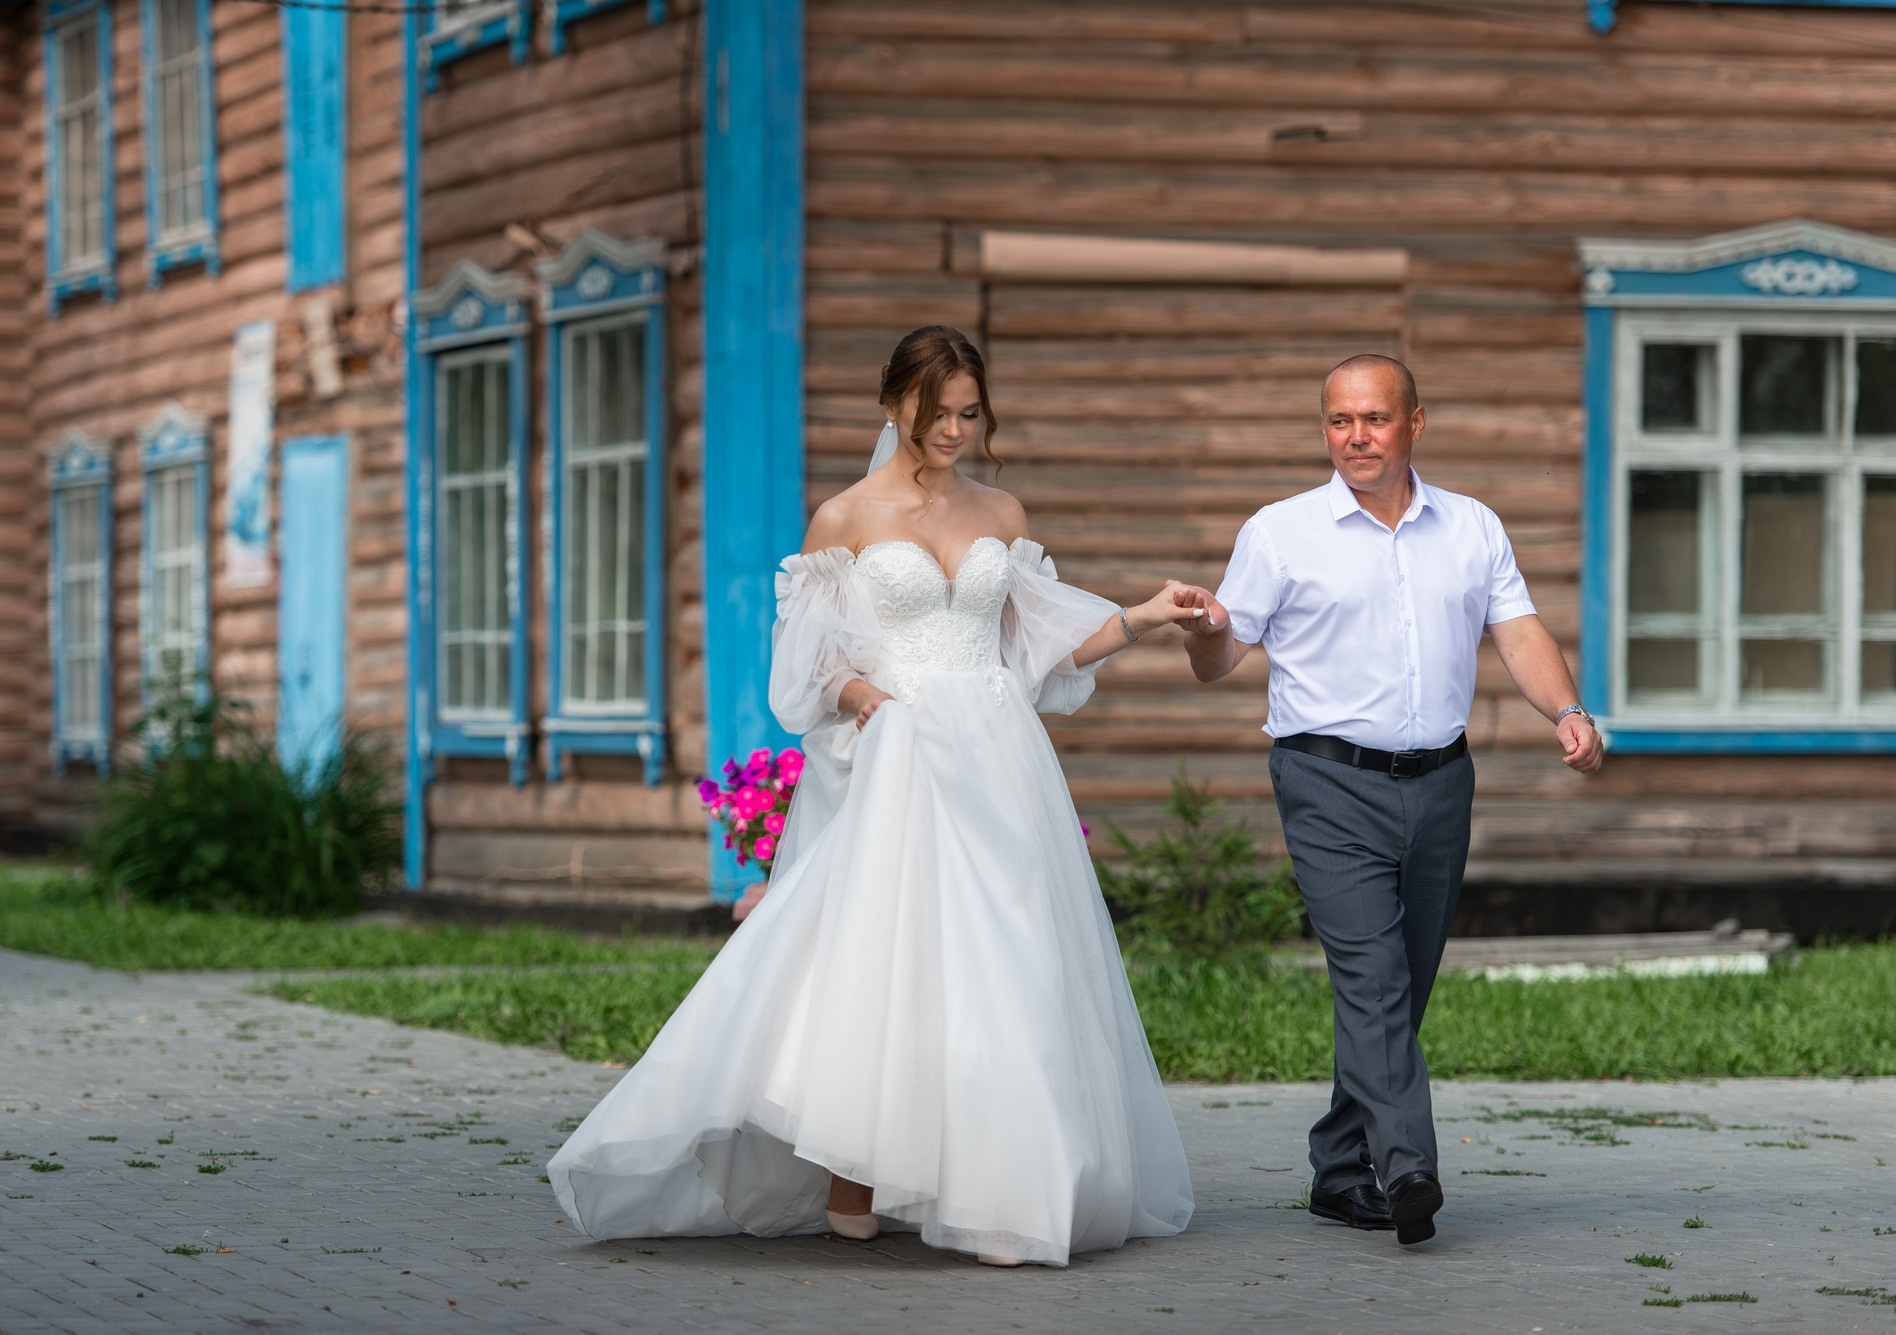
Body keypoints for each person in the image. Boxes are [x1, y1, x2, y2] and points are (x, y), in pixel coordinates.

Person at [547, 326, 1199, 1267]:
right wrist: (870, 701)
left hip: (997, 751)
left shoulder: (1002, 510)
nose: (955, 431)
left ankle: (1007, 1187)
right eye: (938, 413)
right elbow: (809, 668)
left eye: (971, 414)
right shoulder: (843, 518)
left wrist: (1140, 617)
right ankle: (854, 1173)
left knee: (1006, 955)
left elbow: (1040, 645)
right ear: (895, 404)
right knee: (886, 956)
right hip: (898, 752)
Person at [1172, 354, 1604, 1247]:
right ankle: (1407, 1165)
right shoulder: (1280, 532)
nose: (1355, 436)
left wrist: (1564, 708)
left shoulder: (1472, 527)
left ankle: (1338, 1165)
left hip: (1441, 783)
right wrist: (1205, 633)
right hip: (1325, 779)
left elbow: (1517, 630)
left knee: (1400, 988)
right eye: (1338, 421)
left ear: (1414, 421)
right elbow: (1223, 655)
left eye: (1373, 418)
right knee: (1373, 980)